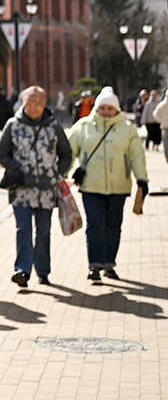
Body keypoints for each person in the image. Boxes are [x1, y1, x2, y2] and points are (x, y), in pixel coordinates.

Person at [67, 87, 147, 284]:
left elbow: (137, 156)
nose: (105, 112)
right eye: (102, 108)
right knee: (94, 224)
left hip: (119, 186)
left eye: (109, 109)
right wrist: (61, 175)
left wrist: (142, 179)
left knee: (113, 226)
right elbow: (70, 153)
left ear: (117, 110)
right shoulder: (83, 126)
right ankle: (94, 264)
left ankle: (109, 264)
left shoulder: (127, 129)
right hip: (90, 186)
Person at [0, 86, 72, 287]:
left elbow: (66, 154)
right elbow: (1, 153)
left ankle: (43, 270)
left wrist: (57, 173)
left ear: (44, 104)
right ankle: (22, 270)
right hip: (21, 189)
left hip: (47, 190)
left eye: (38, 104)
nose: (33, 108)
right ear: (23, 103)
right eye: (29, 103)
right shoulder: (13, 125)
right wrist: (15, 167)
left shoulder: (54, 126)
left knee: (43, 231)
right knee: (23, 229)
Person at [154, 89, 168, 163]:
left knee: (166, 143)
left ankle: (167, 157)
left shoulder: (161, 105)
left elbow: (155, 115)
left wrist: (161, 121)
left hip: (164, 126)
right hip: (164, 126)